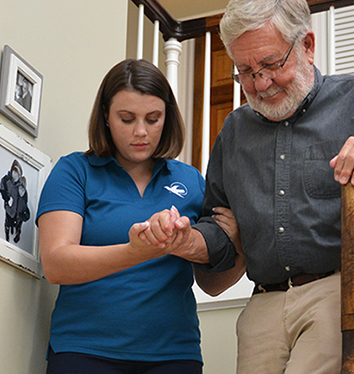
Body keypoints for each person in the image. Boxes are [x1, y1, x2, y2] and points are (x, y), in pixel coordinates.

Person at [136, 0, 354, 374]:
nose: (259, 84)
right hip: (264, 304)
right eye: (245, 71)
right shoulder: (234, 131)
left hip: (344, 286)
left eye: (271, 65)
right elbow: (222, 232)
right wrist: (188, 240)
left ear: (306, 45)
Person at [36, 58, 240, 374]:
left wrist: (239, 244)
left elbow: (212, 285)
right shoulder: (74, 171)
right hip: (84, 351)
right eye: (127, 118)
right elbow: (56, 264)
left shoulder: (190, 181)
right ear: (105, 115)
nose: (141, 132)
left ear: (167, 118)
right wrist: (136, 252)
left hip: (174, 354)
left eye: (154, 118)